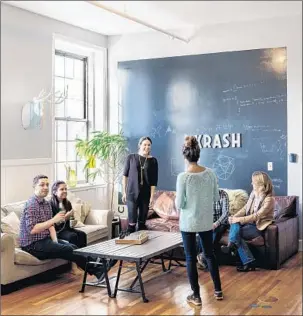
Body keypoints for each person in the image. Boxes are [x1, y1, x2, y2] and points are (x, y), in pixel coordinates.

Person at [19, 175, 105, 280]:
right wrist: (53, 220)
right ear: (34, 187)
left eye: (47, 185)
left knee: (72, 246)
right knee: (69, 249)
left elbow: (51, 226)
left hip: (45, 240)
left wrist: (56, 242)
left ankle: (99, 264)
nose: (45, 187)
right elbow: (33, 229)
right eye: (42, 185)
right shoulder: (31, 205)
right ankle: (98, 269)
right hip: (32, 245)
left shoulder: (46, 204)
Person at [176, 136, 223, 306]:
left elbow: (179, 204)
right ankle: (218, 290)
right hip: (205, 221)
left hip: (188, 222)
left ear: (185, 156)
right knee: (210, 254)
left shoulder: (183, 177)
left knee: (190, 257)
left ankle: (196, 296)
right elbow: (216, 197)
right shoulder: (210, 173)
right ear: (198, 154)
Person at [221, 171, 274, 272]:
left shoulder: (269, 199)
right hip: (249, 224)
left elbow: (256, 216)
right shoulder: (254, 194)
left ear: (260, 184)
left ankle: (234, 247)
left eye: (253, 182)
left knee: (237, 233)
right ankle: (246, 259)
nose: (251, 184)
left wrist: (238, 219)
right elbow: (245, 208)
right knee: (235, 225)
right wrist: (234, 217)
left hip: (258, 227)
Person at [122, 136, 158, 233]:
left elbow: (154, 182)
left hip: (145, 195)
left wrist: (151, 197)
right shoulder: (131, 158)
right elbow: (125, 176)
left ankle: (143, 246)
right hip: (131, 194)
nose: (147, 147)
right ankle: (131, 245)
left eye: (149, 145)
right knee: (132, 224)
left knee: (142, 224)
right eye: (145, 144)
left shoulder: (153, 161)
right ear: (140, 145)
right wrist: (124, 192)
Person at [197, 189, 229, 271]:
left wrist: (216, 223)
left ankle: (203, 258)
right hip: (208, 222)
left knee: (214, 233)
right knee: (203, 232)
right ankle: (205, 260)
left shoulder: (223, 194)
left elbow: (225, 214)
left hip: (221, 222)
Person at [50, 180, 87, 248]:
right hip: (57, 231)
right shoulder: (50, 205)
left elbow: (70, 222)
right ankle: (75, 257)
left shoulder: (67, 203)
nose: (65, 191)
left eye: (65, 189)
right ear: (55, 192)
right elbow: (52, 224)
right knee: (72, 236)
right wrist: (65, 218)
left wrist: (72, 219)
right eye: (62, 189)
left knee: (82, 234)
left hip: (67, 229)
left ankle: (84, 255)